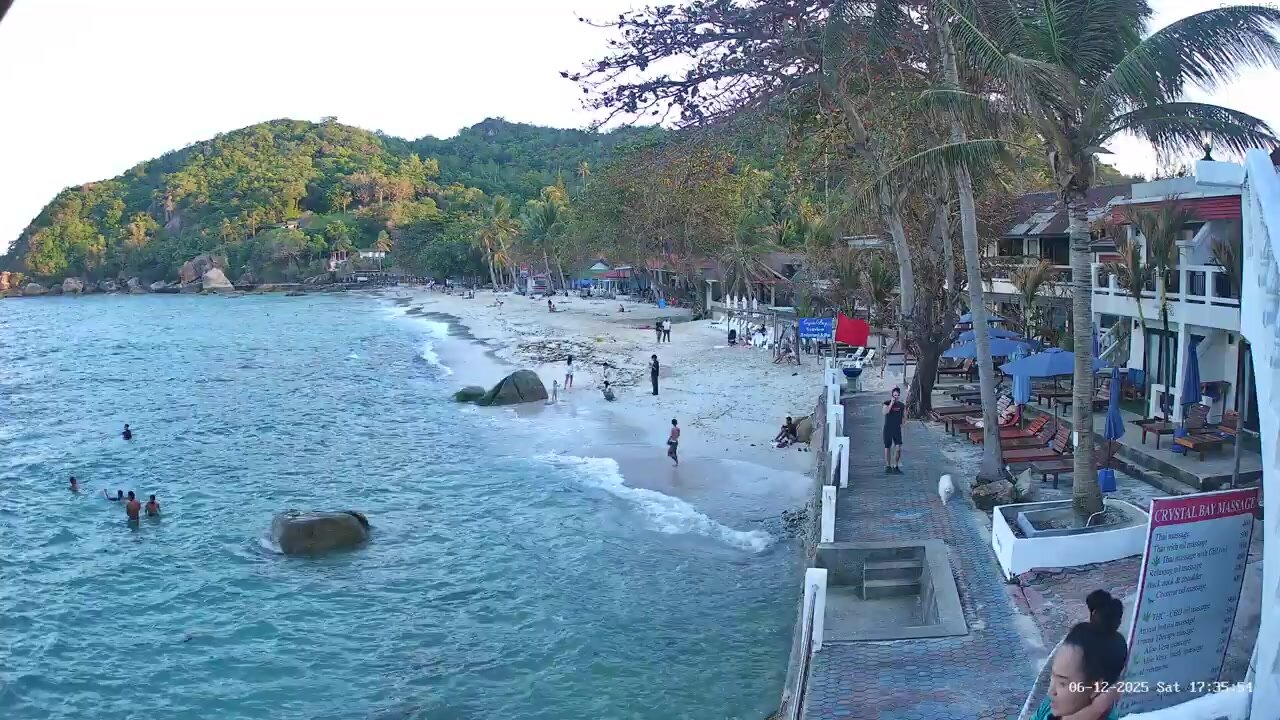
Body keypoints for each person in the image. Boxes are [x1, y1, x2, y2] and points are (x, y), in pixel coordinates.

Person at [1030, 590, 1128, 720]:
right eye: (1052, 678)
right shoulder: (1051, 705)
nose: (1050, 692)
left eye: (1062, 683)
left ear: (1095, 688)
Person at [882, 387, 905, 473]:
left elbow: (904, 416)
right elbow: (885, 412)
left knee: (898, 448)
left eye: (897, 395)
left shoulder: (901, 405)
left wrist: (903, 423)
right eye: (895, 395)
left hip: (897, 428)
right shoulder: (886, 403)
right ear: (892, 395)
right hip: (888, 428)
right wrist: (891, 404)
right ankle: (888, 466)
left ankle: (896, 465)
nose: (896, 397)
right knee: (887, 447)